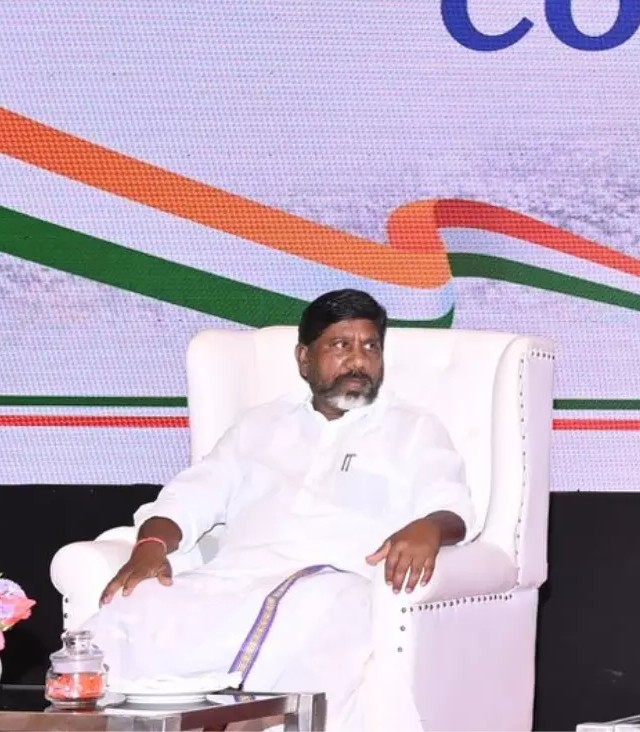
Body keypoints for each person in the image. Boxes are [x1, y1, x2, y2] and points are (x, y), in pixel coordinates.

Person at [84, 289, 477, 731]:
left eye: (371, 346)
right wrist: (152, 545)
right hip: (234, 579)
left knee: (321, 610)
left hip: (336, 584)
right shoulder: (260, 425)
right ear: (304, 358)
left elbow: (451, 506)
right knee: (139, 602)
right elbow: (191, 496)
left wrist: (429, 527)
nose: (358, 360)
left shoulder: (412, 428)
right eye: (341, 345)